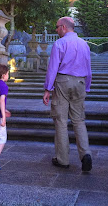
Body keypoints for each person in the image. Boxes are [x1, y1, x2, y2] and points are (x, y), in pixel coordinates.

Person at [43, 17, 93, 172]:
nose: (56, 30)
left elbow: (52, 68)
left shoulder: (59, 44)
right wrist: (87, 86)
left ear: (63, 27)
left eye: (57, 27)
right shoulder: (84, 44)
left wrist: (47, 89)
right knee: (79, 121)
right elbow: (89, 68)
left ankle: (63, 159)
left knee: (61, 121)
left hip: (63, 82)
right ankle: (85, 154)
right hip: (80, 82)